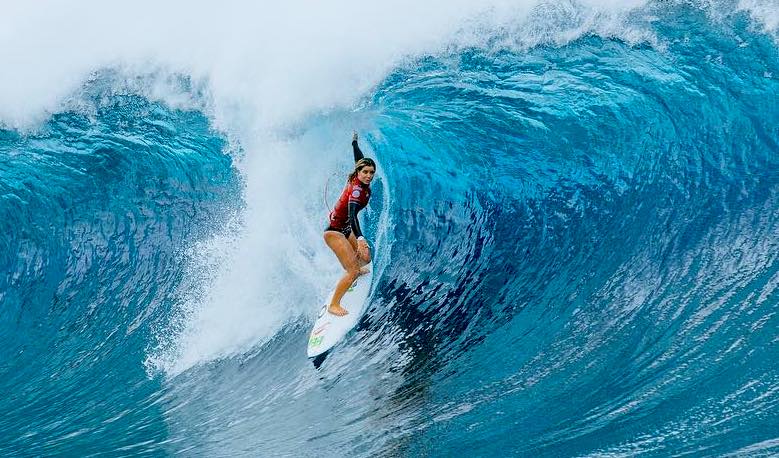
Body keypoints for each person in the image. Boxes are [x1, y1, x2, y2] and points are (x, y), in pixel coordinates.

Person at [323, 132, 376, 316]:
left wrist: (354, 143)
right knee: (352, 271)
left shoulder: (357, 176)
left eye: (371, 172)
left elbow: (358, 158)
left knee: (366, 259)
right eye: (365, 172)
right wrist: (360, 238)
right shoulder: (356, 191)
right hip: (334, 232)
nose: (368, 175)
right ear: (359, 172)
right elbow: (353, 215)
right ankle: (334, 305)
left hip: (344, 227)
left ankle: (355, 268)